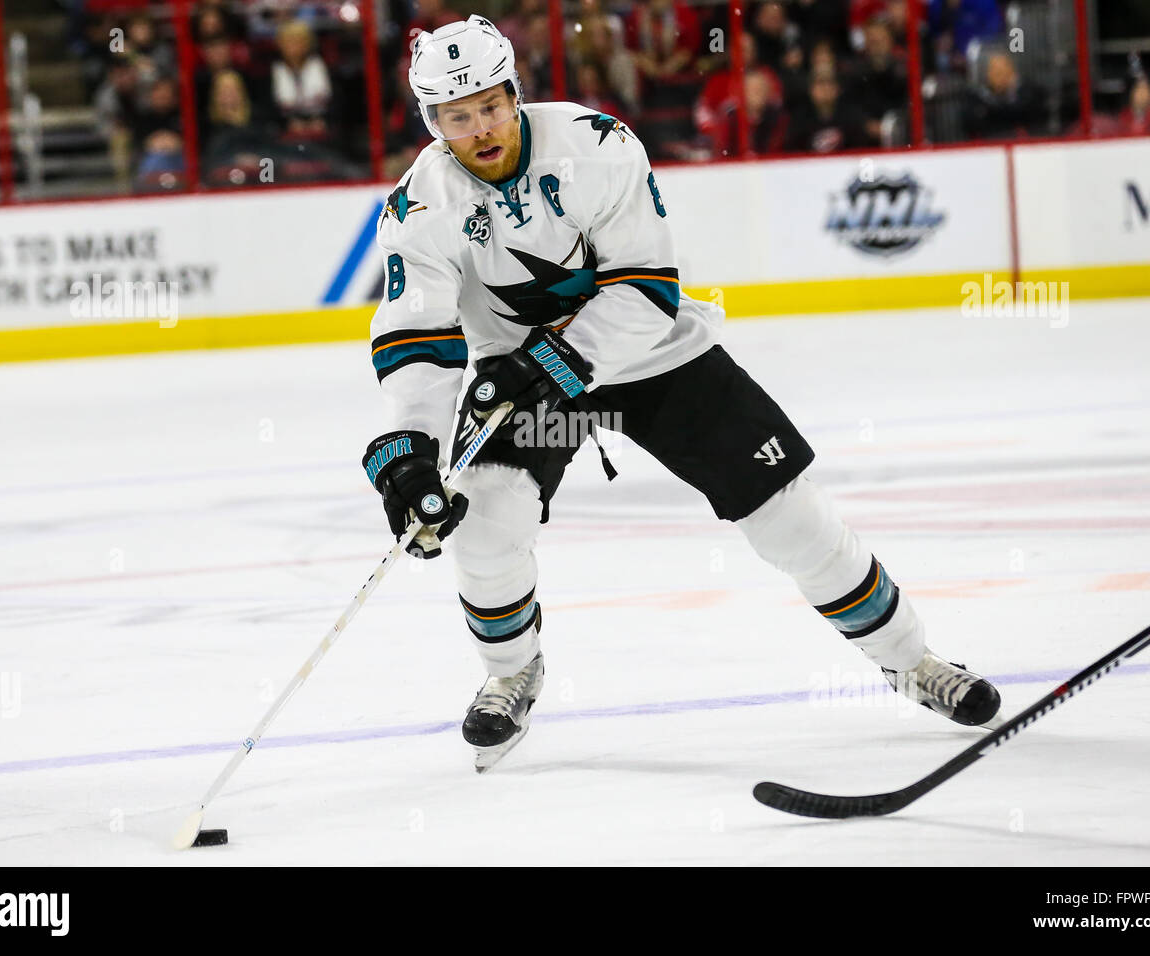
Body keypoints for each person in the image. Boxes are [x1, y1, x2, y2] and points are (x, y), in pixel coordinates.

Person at [363, 15, 1001, 771]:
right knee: (485, 527)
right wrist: (408, 446)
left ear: (515, 92)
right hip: (524, 388)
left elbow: (643, 291)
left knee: (789, 518)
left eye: (493, 105)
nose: (483, 127)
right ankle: (510, 674)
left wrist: (555, 365)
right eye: (459, 116)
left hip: (651, 358)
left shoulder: (596, 146)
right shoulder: (419, 205)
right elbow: (418, 339)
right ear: (433, 122)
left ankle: (914, 660)